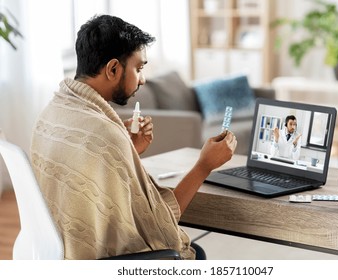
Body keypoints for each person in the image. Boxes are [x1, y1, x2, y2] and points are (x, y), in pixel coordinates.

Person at [30, 15, 237, 260]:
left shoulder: (51, 112)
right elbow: (163, 225)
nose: (143, 79)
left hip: (55, 255)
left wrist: (128, 151)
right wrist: (205, 165)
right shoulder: (106, 135)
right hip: (101, 264)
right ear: (113, 69)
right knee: (194, 254)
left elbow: (88, 170)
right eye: (139, 68)